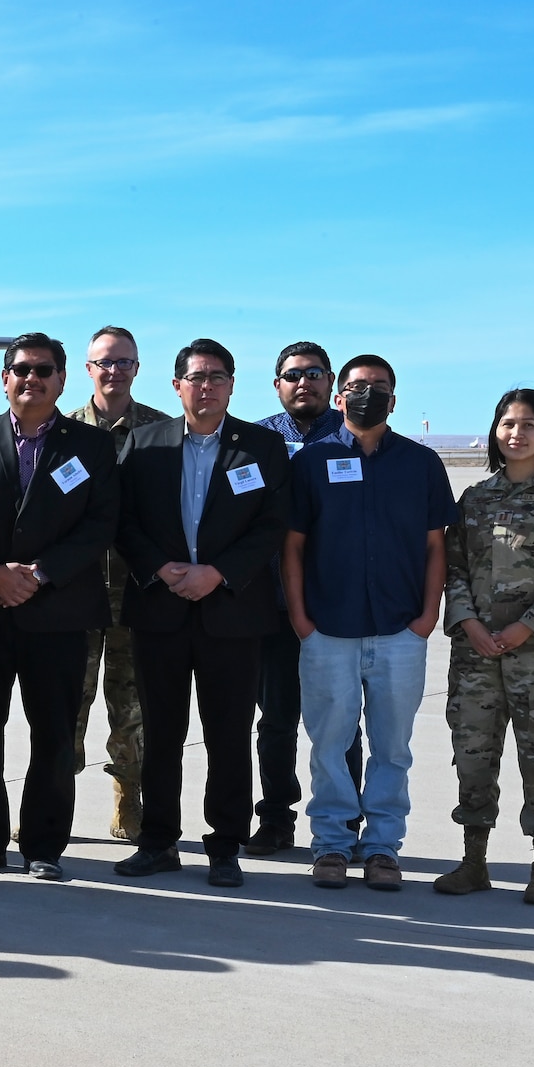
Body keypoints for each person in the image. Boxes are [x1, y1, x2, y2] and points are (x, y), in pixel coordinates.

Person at [110, 339, 291, 889]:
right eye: (196, 376)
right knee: (162, 732)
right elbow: (122, 519)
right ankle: (159, 841)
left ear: (232, 385)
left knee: (228, 733)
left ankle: (225, 845)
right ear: (176, 386)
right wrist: (161, 568)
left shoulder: (261, 447)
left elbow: (271, 523)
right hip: (159, 609)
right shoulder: (143, 445)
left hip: (231, 612)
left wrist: (218, 572)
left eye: (217, 376)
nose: (206, 385)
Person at [0, 333, 119, 881]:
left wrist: (39, 574)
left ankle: (43, 845)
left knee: (54, 735)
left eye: (44, 370)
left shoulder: (92, 447)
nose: (32, 378)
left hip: (58, 614)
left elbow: (101, 525)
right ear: (4, 379)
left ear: (63, 380)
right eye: (21, 369)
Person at [283, 354, 455, 890]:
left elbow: (435, 546)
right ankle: (331, 844)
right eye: (357, 386)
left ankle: (382, 846)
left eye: (378, 387)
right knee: (329, 745)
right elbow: (291, 546)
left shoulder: (420, 464)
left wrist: (427, 617)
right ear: (339, 398)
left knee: (392, 747)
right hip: (328, 630)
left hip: (401, 630)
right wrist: (301, 620)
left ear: (393, 399)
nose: (367, 394)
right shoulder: (311, 461)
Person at [436, 389, 534, 905]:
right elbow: (453, 568)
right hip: (477, 655)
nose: (516, 433)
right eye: (507, 423)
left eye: (528, 425)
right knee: (473, 755)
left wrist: (528, 626)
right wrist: (468, 622)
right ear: (495, 432)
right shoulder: (475, 499)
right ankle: (474, 861)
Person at [248, 340, 362, 856]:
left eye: (315, 373)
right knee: (275, 721)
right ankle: (275, 817)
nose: (304, 382)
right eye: (293, 374)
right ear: (277, 384)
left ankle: (346, 820)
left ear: (331, 384)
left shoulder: (353, 439)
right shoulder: (256, 441)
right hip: (270, 609)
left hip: (335, 609)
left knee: (342, 722)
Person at [66, 325, 169, 841]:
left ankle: (129, 794)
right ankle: (52, 799)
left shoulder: (160, 431)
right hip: (75, 593)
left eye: (123, 362)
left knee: (131, 705)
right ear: (88, 370)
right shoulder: (62, 430)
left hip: (137, 593)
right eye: (104, 362)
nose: (113, 371)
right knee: (66, 701)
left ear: (136, 367)